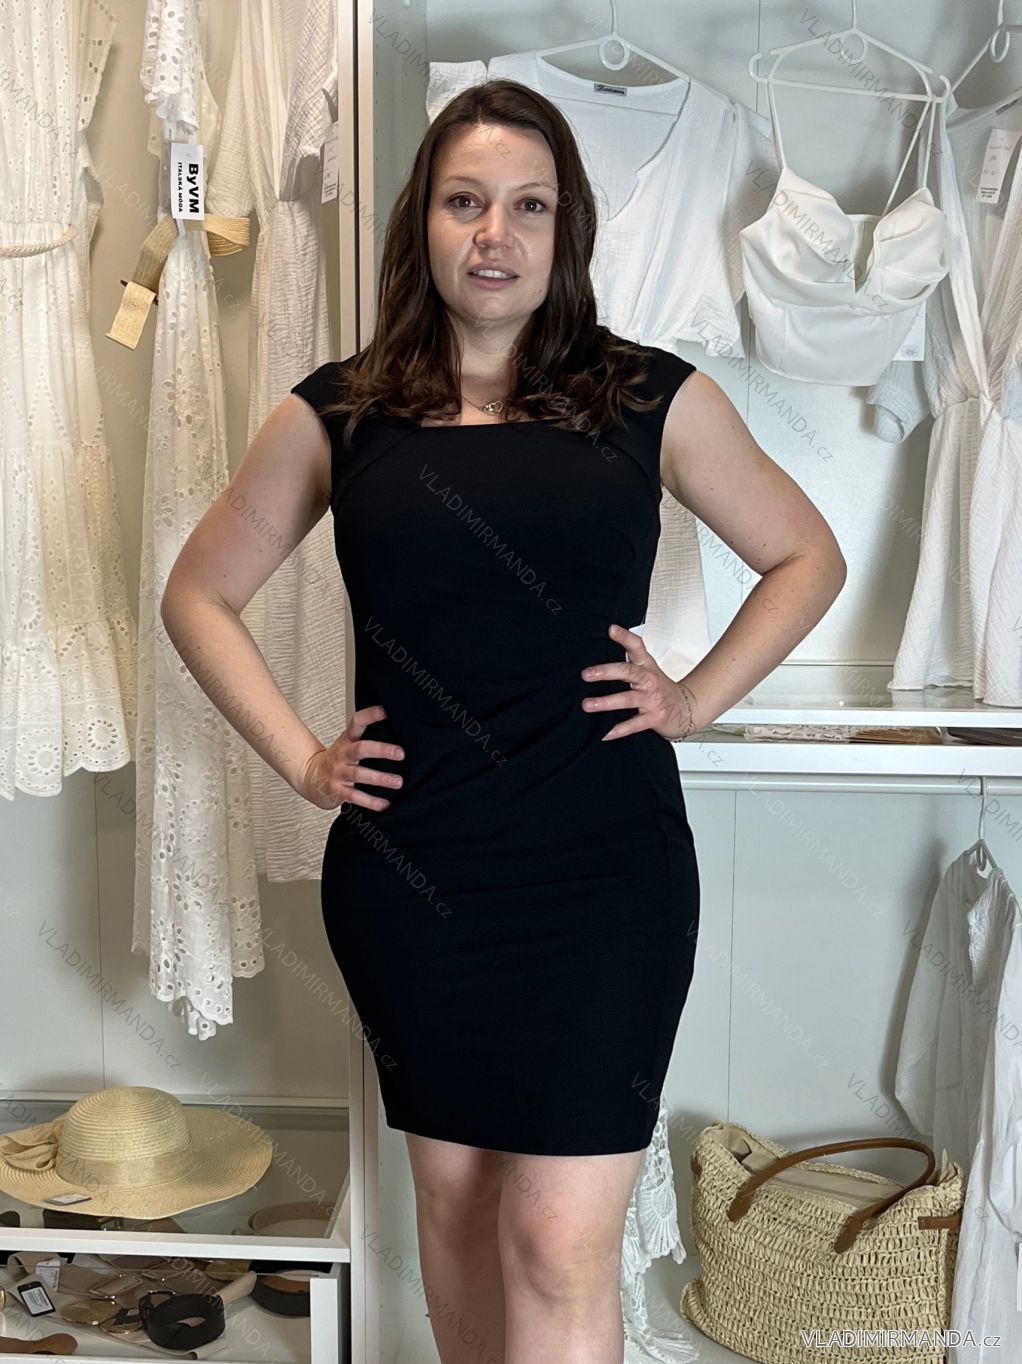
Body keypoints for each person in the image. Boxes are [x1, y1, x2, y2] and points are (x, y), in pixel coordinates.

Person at [161, 78, 846, 1364]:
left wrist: (692, 697)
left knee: (555, 1240)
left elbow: (805, 555)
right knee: (457, 1210)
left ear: (564, 228)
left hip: (602, 871)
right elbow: (197, 591)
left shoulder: (645, 395)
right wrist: (302, 758)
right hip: (413, 871)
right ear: (419, 221)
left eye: (528, 207)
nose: (495, 234)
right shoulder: (340, 410)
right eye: (464, 202)